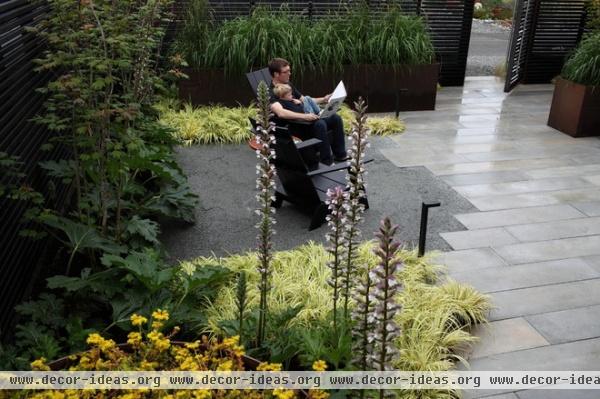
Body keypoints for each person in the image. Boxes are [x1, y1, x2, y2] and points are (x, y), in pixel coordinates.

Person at [268, 58, 348, 165]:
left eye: (289, 71)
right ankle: (326, 162)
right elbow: (281, 113)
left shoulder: (287, 85)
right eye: (286, 72)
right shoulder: (272, 93)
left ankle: (340, 155)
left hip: (307, 120)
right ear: (276, 74)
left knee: (335, 118)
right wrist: (304, 117)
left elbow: (304, 99)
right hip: (296, 125)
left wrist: (324, 99)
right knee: (320, 124)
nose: (289, 74)